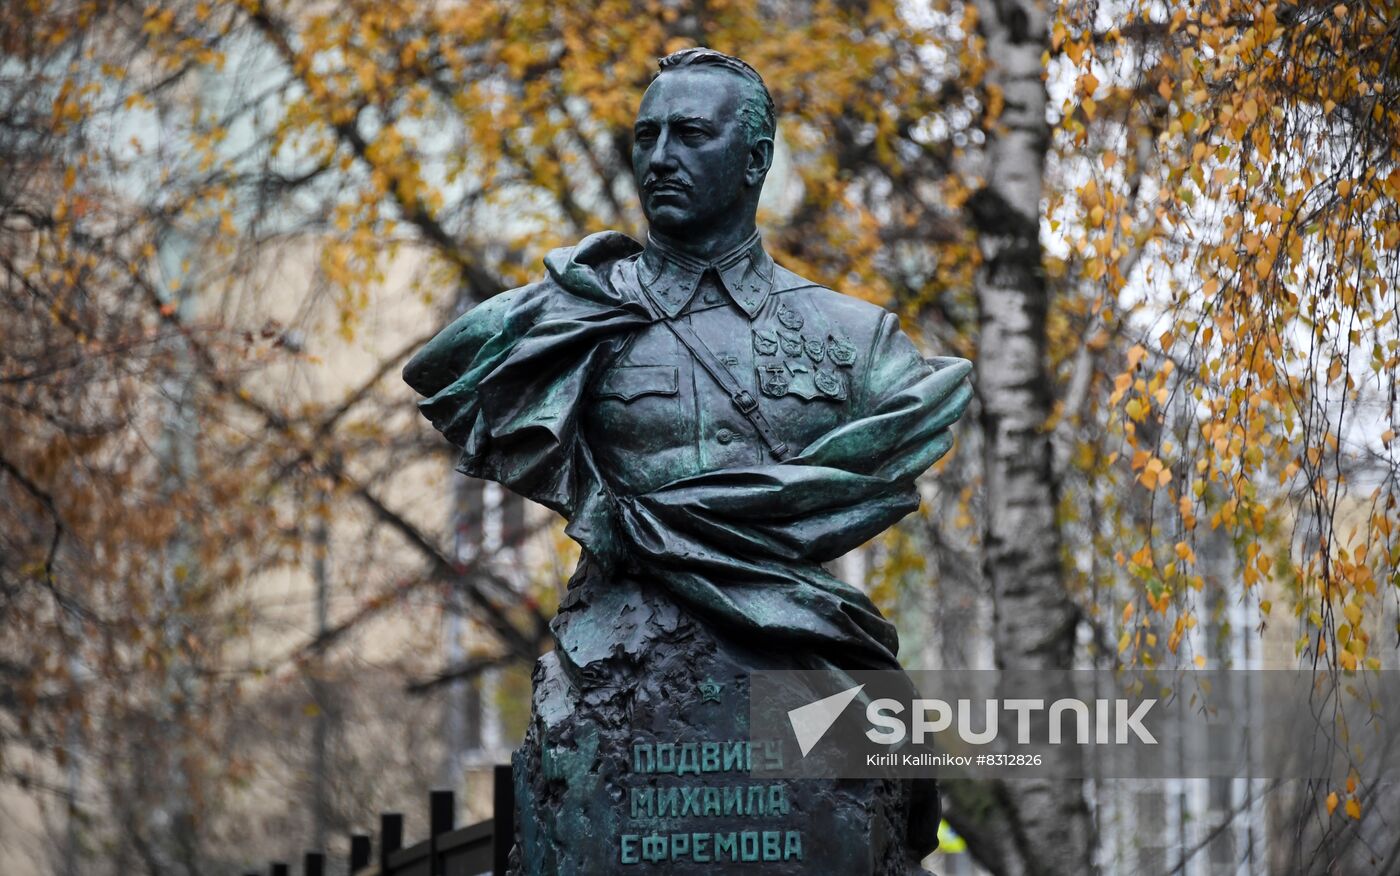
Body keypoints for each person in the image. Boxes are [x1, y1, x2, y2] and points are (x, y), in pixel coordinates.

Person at [404, 47, 972, 872]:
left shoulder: (858, 343)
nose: (660, 156)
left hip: (799, 659)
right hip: (611, 661)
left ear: (755, 160)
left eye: (690, 134)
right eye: (646, 135)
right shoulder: (561, 320)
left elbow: (898, 433)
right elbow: (445, 377)